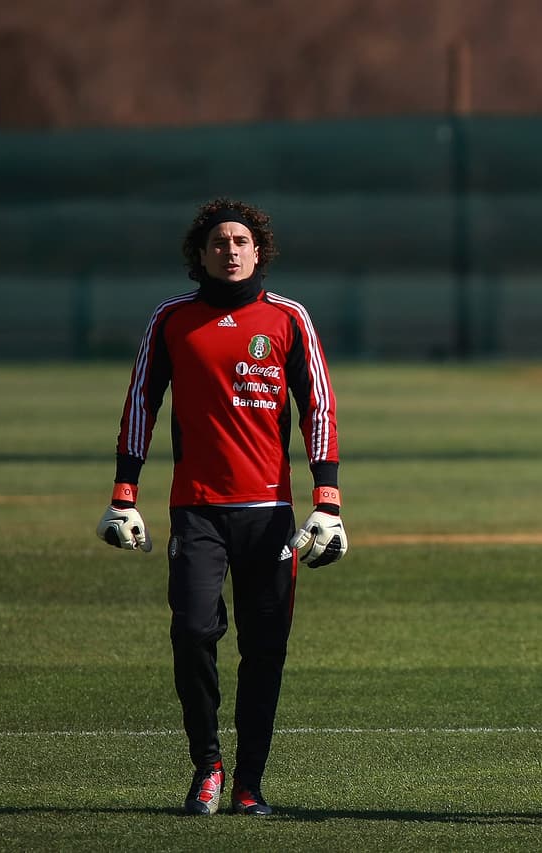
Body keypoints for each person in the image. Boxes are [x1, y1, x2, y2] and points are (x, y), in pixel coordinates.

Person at [95, 197, 348, 817]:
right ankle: (207, 766)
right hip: (197, 513)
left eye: (240, 241)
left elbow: (319, 407)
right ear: (200, 255)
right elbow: (140, 406)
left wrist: (329, 501)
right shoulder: (171, 319)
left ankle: (249, 785)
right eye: (218, 242)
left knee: (266, 649)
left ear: (259, 251)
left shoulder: (289, 318)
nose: (229, 251)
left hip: (270, 516)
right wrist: (124, 494)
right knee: (191, 633)